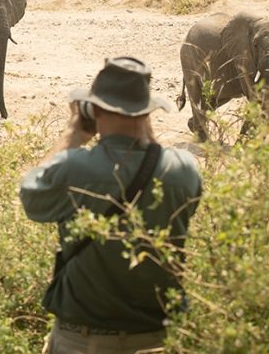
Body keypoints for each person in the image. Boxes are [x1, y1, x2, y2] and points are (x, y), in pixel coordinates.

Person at [20, 57, 202, 354]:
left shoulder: (74, 168)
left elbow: (31, 196)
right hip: (158, 340)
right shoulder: (182, 169)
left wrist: (72, 136)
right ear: (147, 112)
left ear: (94, 110)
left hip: (82, 341)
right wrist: (146, 137)